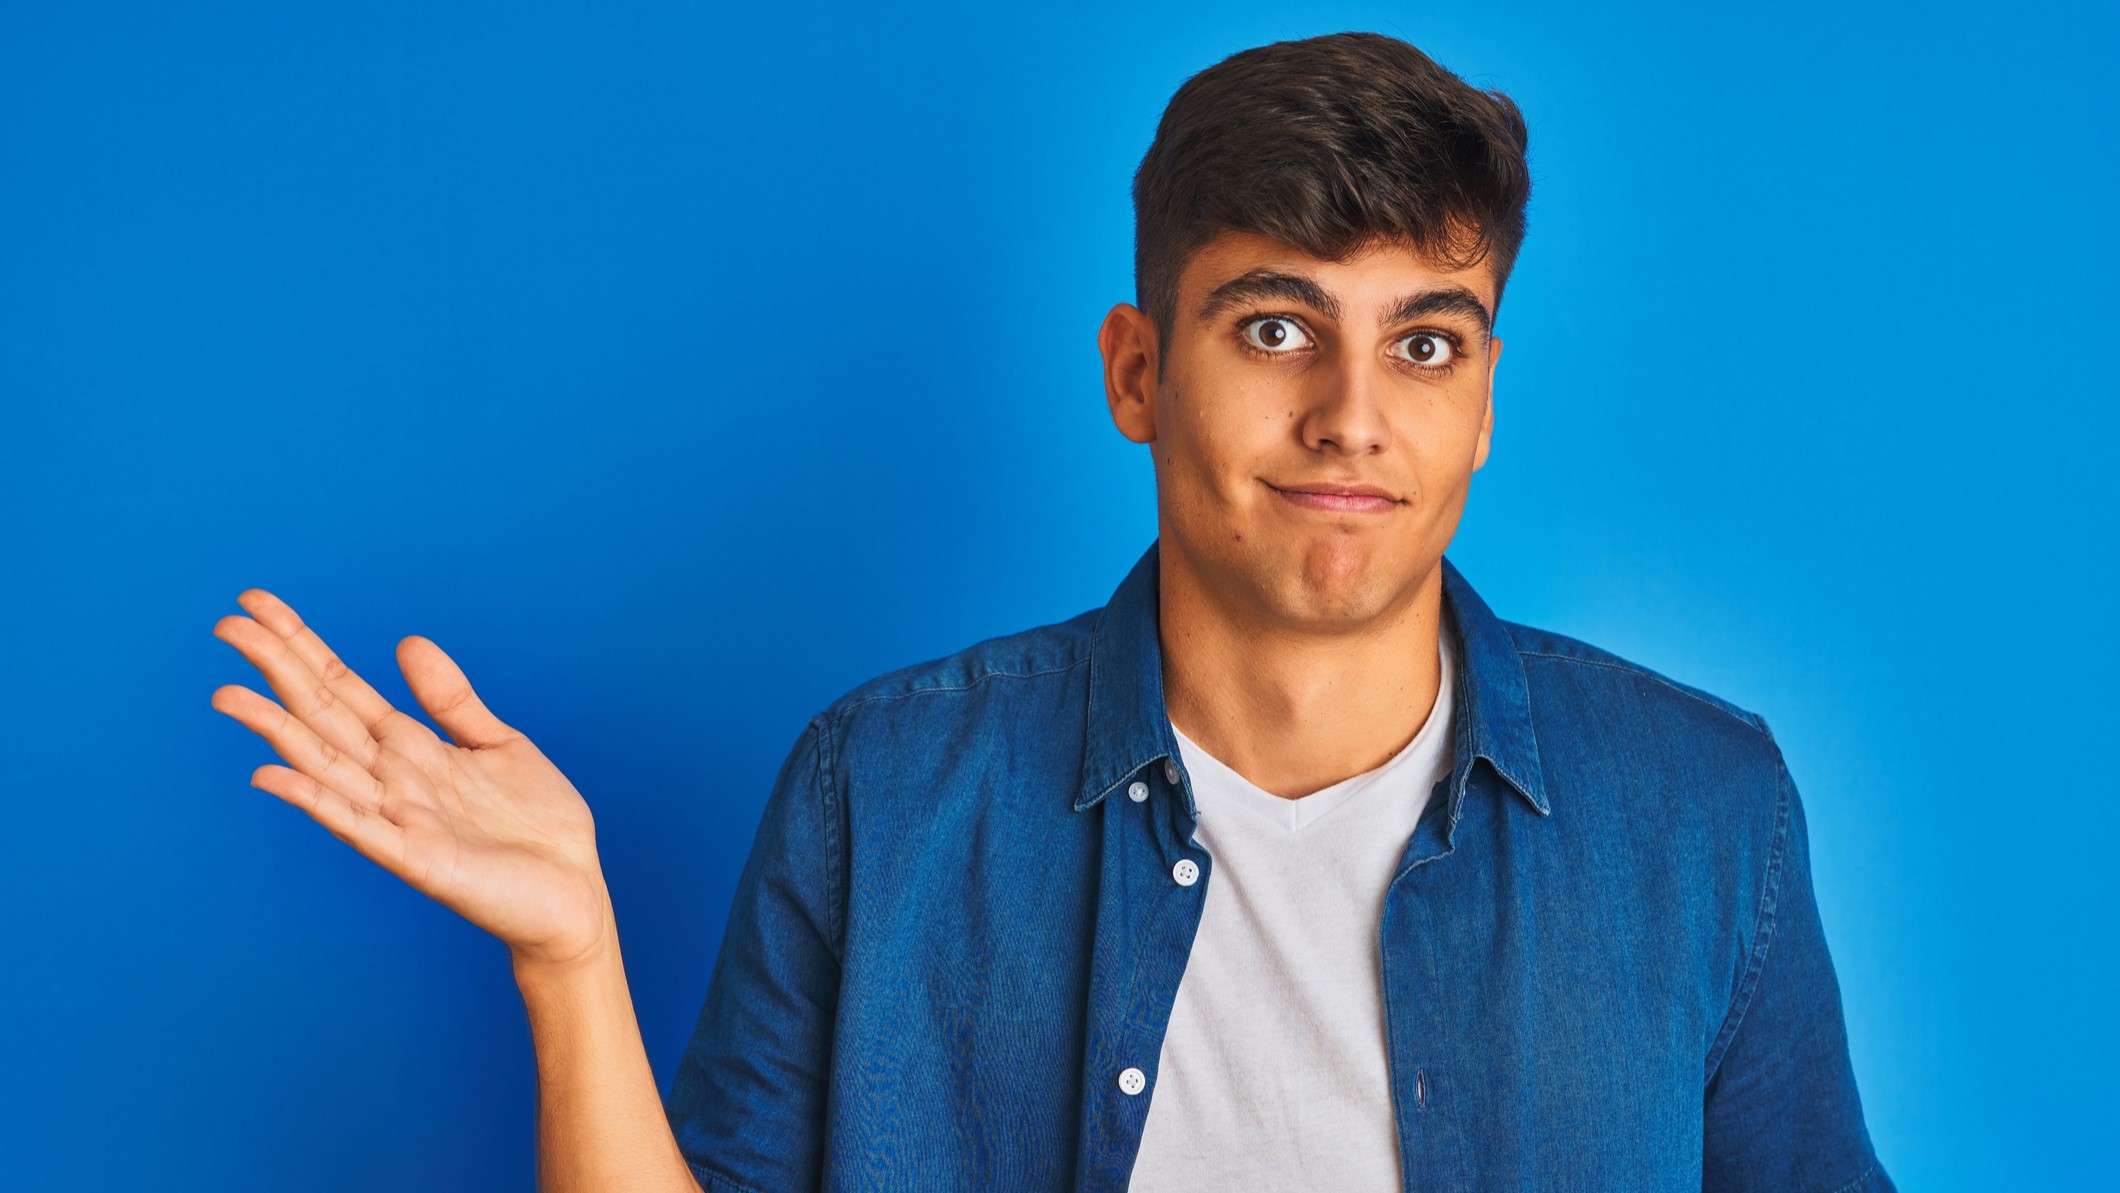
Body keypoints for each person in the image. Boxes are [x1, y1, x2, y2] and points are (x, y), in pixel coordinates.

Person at [210, 31, 1891, 1193]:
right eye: (1277, 329)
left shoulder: (1702, 811)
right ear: (1139, 373)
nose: (1355, 417)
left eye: (1425, 342)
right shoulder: (884, 791)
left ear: (1486, 394)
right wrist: (571, 957)